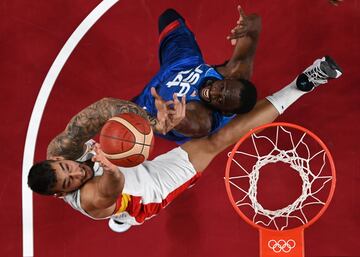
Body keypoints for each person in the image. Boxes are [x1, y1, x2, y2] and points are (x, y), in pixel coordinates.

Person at [27, 53, 342, 232]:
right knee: (216, 141)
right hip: (143, 192)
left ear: (56, 159)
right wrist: (109, 165)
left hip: (121, 171)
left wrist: (149, 122)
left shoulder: (62, 147)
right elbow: (115, 182)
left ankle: (120, 218)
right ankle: (303, 85)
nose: (76, 173)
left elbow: (106, 107)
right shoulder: (92, 199)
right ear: (60, 194)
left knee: (196, 134)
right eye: (70, 182)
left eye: (67, 168)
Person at [133, 6, 260, 144]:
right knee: (169, 17)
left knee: (112, 117)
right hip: (185, 64)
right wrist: (247, 25)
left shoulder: (205, 119)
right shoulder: (237, 71)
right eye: (221, 87)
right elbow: (255, 27)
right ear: (228, 79)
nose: (213, 93)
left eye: (220, 100)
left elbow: (194, 124)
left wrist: (177, 121)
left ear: (225, 112)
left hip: (154, 104)